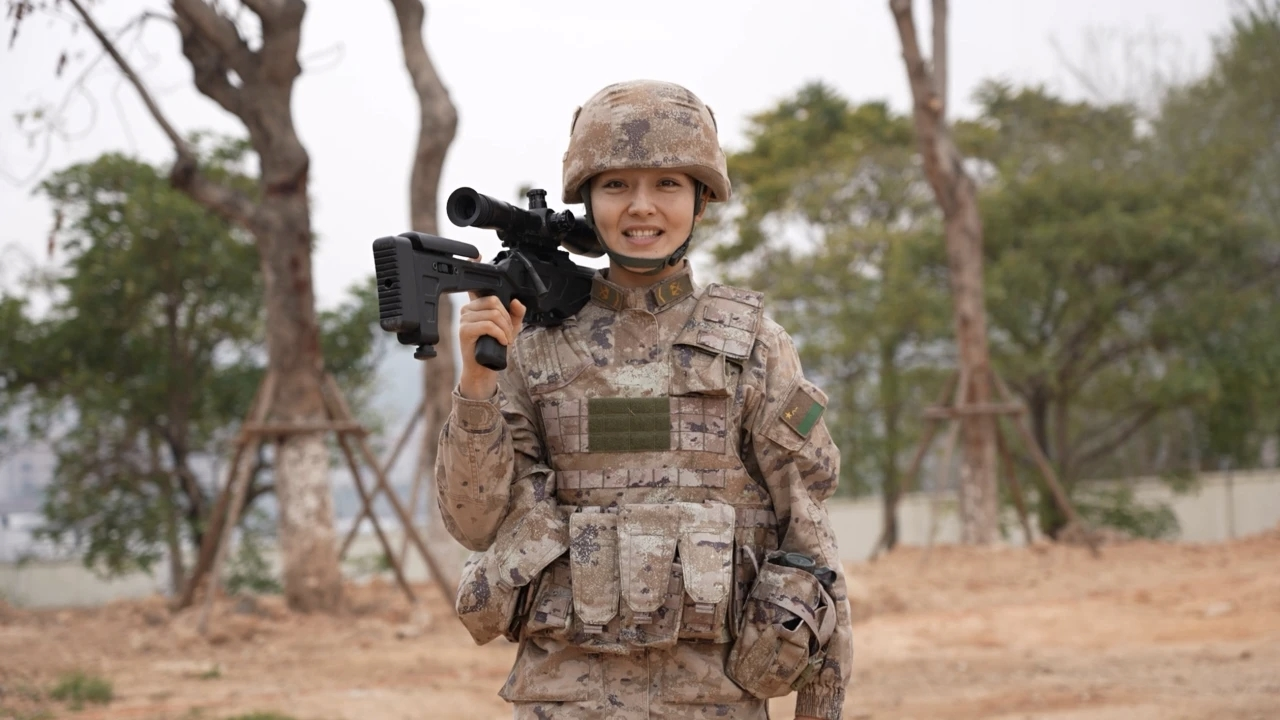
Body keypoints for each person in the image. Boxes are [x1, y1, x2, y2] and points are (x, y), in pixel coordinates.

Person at [437, 79, 854, 720]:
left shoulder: (753, 348)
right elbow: (474, 525)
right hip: (564, 703)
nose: (641, 207)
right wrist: (476, 387)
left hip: (714, 702)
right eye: (616, 186)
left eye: (667, 185)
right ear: (587, 201)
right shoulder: (531, 347)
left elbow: (812, 553)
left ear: (701, 200)